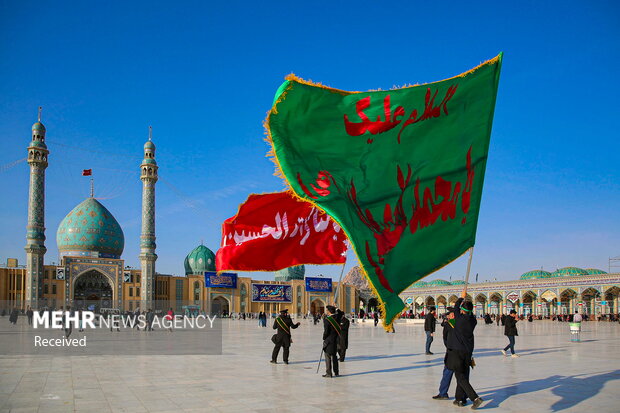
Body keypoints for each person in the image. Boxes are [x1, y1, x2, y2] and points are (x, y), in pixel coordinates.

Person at [446, 293, 483, 409]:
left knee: (460, 377)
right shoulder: (473, 321)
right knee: (462, 376)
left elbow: (456, 307)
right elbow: (458, 308)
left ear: (462, 310)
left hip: (457, 352)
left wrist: (461, 298)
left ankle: (475, 398)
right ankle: (460, 399)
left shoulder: (459, 319)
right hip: (467, 352)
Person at [433, 307, 455, 400]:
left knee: (447, 373)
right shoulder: (463, 323)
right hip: (463, 353)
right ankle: (462, 397)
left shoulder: (448, 324)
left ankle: (443, 393)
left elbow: (445, 339)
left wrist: (449, 348)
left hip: (451, 353)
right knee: (462, 377)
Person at [322, 305, 341, 377]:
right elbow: (340, 313)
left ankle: (329, 373)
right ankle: (336, 372)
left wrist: (324, 338)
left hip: (329, 341)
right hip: (336, 340)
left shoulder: (328, 320)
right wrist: (336, 307)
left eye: (327, 310)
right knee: (334, 357)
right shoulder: (338, 317)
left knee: (328, 356)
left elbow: (326, 331)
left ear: (329, 312)